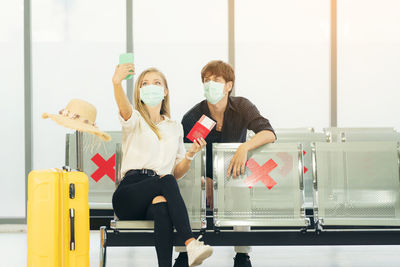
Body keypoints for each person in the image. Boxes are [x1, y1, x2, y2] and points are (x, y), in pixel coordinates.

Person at [174, 60, 276, 267]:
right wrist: (205, 179)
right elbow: (185, 156)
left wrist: (244, 147)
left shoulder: (242, 107)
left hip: (232, 175)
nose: (210, 84)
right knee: (188, 188)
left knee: (240, 188)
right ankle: (185, 252)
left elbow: (268, 133)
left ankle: (242, 254)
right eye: (206, 80)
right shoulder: (192, 117)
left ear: (229, 85)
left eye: (216, 80)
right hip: (203, 178)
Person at [111, 64, 213, 267]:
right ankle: (190, 243)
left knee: (162, 206)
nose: (151, 87)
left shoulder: (175, 127)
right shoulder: (135, 118)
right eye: (145, 84)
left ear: (165, 91)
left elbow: (176, 172)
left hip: (156, 192)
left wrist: (190, 155)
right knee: (164, 180)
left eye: (157, 83)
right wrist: (116, 83)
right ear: (139, 91)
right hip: (129, 194)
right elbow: (124, 108)